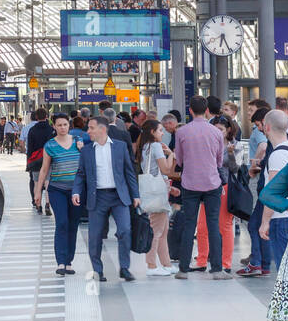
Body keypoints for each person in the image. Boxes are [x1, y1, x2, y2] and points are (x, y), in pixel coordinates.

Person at [72, 116, 140, 282]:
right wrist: (76, 191)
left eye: (91, 128)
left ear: (102, 129)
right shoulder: (87, 150)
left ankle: (124, 268)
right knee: (95, 235)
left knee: (124, 230)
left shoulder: (120, 147)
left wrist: (136, 194)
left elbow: (129, 172)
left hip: (119, 196)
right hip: (98, 196)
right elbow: (81, 174)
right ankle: (97, 269)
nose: (88, 131)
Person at [174, 96, 228, 279]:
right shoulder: (216, 132)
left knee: (190, 224)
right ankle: (217, 269)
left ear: (190, 110)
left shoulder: (182, 132)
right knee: (213, 224)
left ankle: (183, 269)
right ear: (206, 111)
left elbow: (179, 160)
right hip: (212, 182)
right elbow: (220, 160)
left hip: (190, 183)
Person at [34, 112, 82, 274]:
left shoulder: (78, 142)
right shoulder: (50, 145)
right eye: (59, 125)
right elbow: (44, 169)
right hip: (57, 190)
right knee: (62, 223)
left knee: (73, 225)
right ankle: (61, 261)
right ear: (53, 126)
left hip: (76, 191)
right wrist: (38, 191)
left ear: (69, 125)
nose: (62, 127)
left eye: (65, 124)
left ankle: (69, 261)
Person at [194, 115, 239, 273]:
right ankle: (201, 261)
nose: (217, 132)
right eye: (214, 129)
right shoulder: (206, 144)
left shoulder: (234, 146)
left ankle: (225, 263)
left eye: (220, 129)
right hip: (207, 187)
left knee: (224, 226)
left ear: (228, 130)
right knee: (202, 227)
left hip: (224, 187)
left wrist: (230, 153)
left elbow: (235, 169)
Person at [133, 119, 176, 276]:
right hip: (157, 194)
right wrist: (171, 155)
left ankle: (166, 264)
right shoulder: (156, 146)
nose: (162, 133)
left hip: (153, 190)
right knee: (157, 231)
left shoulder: (144, 146)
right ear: (152, 132)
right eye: (159, 130)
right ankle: (151, 265)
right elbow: (165, 170)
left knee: (162, 231)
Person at [258, 109, 288, 273]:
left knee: (285, 273)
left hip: (281, 220)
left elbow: (273, 194)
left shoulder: (278, 155)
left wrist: (265, 221)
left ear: (267, 127)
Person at [240, 107, 273, 277]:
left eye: (259, 124)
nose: (259, 129)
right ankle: (263, 264)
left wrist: (255, 166)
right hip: (267, 191)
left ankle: (257, 263)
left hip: (267, 193)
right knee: (259, 226)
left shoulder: (274, 143)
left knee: (255, 225)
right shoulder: (276, 142)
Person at [25, 108, 55, 212]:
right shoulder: (51, 129)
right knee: (48, 182)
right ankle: (47, 204)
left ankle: (38, 205)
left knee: (37, 182)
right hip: (49, 159)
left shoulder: (32, 130)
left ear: (36, 117)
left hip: (36, 160)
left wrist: (28, 162)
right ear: (46, 116)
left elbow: (30, 148)